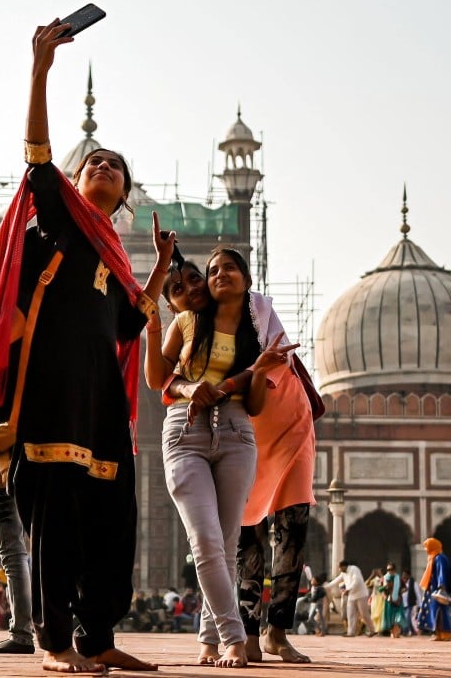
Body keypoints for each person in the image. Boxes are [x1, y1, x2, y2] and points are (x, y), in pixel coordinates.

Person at [0, 18, 173, 676]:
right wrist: (41, 69)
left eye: (115, 168)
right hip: (46, 398)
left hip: (101, 406)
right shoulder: (61, 224)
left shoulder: (110, 261)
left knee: (110, 522)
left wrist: (156, 269)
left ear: (124, 196)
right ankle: (51, 641)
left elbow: (128, 327)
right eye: (95, 163)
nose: (103, 166)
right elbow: (39, 158)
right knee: (56, 527)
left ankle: (97, 637)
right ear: (77, 182)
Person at [148, 252, 315, 664]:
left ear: (247, 277)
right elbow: (159, 380)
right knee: (216, 541)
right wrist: (189, 387)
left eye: (229, 268)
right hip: (194, 433)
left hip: (259, 426)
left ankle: (239, 636)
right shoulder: (187, 323)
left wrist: (253, 373)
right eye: (212, 270)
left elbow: (257, 397)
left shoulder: (257, 323)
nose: (214, 277)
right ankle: (237, 635)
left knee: (253, 534)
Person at [0, 449, 35, 653]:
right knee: (22, 552)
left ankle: (21, 633)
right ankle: (37, 631)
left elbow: (6, 424)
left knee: (13, 554)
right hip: (28, 461)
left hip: (3, 465)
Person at [327, 561, 375, 637]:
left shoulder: (354, 569)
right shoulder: (343, 574)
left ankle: (372, 630)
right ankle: (351, 632)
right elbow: (336, 581)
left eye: (340, 567)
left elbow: (357, 581)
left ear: (344, 566)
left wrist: (348, 589)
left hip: (361, 595)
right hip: (351, 596)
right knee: (350, 614)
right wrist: (326, 587)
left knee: (364, 614)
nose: (339, 569)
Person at [419, 537, 451, 641]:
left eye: (427, 547)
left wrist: (441, 586)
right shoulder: (433, 558)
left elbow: (441, 573)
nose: (425, 550)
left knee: (440, 612)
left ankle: (446, 633)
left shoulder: (439, 558)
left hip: (437, 590)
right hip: (432, 590)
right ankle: (438, 633)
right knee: (435, 612)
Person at [383, 563, 405, 638]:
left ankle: (397, 632)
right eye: (388, 569)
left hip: (397, 600)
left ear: (394, 570)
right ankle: (392, 632)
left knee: (397, 617)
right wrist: (385, 595)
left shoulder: (398, 578)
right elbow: (381, 590)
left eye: (391, 569)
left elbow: (405, 588)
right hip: (389, 601)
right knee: (390, 617)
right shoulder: (385, 578)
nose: (390, 571)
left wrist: (399, 594)